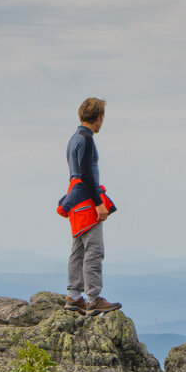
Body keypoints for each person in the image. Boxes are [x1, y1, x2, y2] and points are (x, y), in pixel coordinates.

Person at [57, 97, 121, 314]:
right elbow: (86, 175)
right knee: (93, 250)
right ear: (99, 117)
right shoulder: (86, 139)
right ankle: (93, 298)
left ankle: (74, 297)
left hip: (75, 201)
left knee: (78, 250)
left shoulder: (73, 138)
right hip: (87, 201)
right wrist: (98, 203)